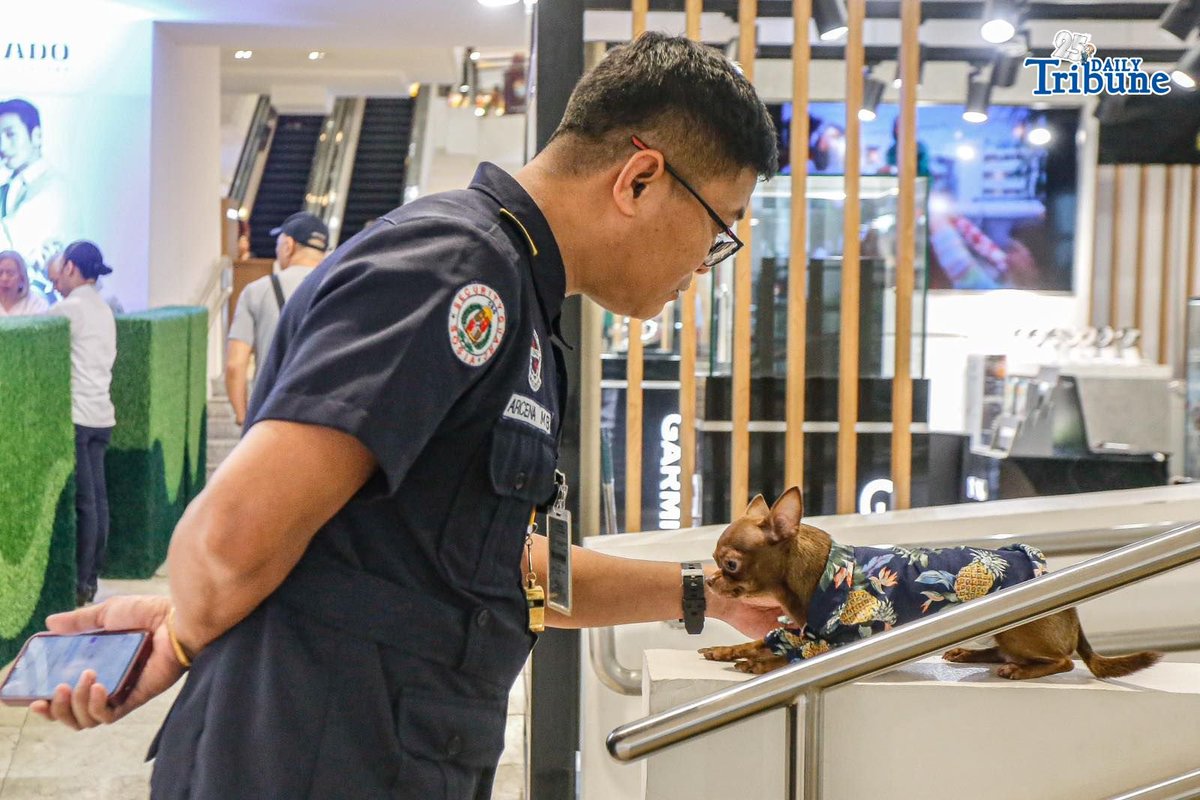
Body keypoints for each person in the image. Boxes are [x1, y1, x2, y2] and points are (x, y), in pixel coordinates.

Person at [33, 32, 781, 800]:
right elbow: (230, 535)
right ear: (640, 179)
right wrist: (182, 636)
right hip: (309, 761)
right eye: (719, 228)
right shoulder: (455, 269)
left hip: (389, 757)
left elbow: (495, 563)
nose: (705, 264)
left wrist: (710, 593)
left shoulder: (521, 299)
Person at [46, 240, 117, 607]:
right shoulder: (104, 309)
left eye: (60, 270)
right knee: (98, 502)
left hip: (78, 415)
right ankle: (91, 579)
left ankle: (81, 583)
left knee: (86, 504)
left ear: (71, 268)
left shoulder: (68, 310)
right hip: (102, 414)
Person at [224, 211, 328, 427]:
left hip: (269, 416)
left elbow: (235, 365)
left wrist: (244, 418)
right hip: (322, 417)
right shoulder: (338, 288)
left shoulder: (257, 291)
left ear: (288, 245)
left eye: (278, 243)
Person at [0, 98, 71, 293]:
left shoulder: (55, 189)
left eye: (10, 134)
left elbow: (12, 247)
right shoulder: (7, 188)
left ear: (36, 136)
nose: (2, 146)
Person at [0, 249, 49, 315]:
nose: (4, 279)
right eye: (0, 273)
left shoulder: (37, 304)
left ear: (22, 278)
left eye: (10, 273)